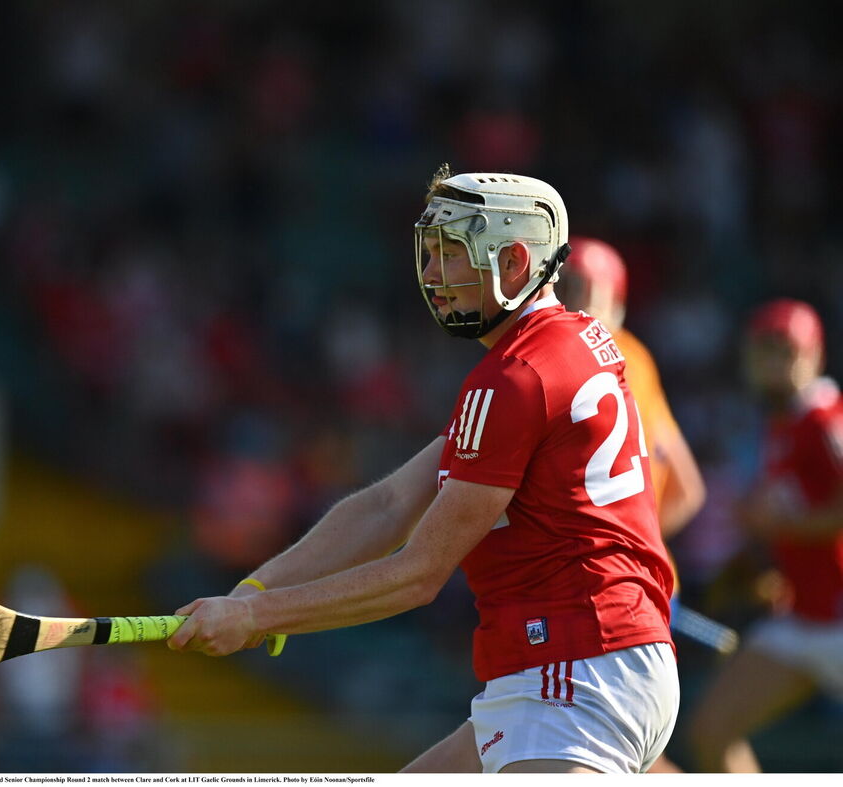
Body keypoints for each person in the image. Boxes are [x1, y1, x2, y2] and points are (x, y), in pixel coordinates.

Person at [168, 166, 679, 773]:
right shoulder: (564, 345)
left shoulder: (517, 379)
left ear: (514, 263)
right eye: (429, 253)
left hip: (575, 675)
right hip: (567, 674)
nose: (432, 276)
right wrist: (255, 590)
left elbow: (418, 574)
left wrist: (257, 618)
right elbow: (387, 506)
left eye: (452, 254)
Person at [558, 236, 708, 775]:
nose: (573, 303)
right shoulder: (635, 357)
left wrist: (622, 544)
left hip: (612, 591)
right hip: (632, 585)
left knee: (603, 749)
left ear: (617, 304)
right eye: (565, 288)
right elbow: (688, 488)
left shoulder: (610, 362)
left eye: (585, 292)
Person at [688, 298, 843, 773]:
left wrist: (782, 529)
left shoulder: (824, 420)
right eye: (764, 351)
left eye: (786, 352)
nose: (773, 365)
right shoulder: (785, 421)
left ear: (815, 356)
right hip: (804, 618)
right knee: (710, 734)